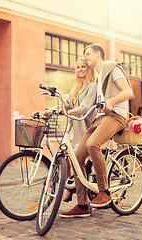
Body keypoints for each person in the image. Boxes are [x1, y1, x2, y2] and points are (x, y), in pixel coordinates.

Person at [60, 43, 134, 218]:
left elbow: (128, 92)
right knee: (77, 157)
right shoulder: (100, 77)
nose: (85, 57)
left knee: (93, 144)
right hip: (100, 118)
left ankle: (104, 191)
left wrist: (111, 102)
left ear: (99, 55)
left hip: (116, 116)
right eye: (84, 54)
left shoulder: (112, 68)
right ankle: (82, 204)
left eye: (88, 54)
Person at [46, 57, 97, 202]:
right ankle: (70, 187)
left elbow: (85, 107)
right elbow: (66, 103)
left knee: (78, 161)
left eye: (83, 67)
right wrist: (49, 111)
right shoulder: (76, 88)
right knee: (66, 158)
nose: (80, 69)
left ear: (89, 69)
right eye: (78, 67)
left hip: (86, 129)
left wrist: (69, 112)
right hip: (73, 130)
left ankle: (81, 192)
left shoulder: (92, 86)